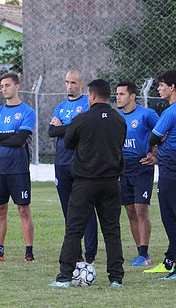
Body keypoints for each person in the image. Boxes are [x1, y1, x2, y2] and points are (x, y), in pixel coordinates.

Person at [49, 79, 126, 288]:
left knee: (74, 229)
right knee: (112, 230)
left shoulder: (81, 119)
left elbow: (68, 142)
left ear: (91, 96)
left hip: (85, 182)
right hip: (111, 182)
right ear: (108, 96)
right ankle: (116, 277)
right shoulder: (119, 120)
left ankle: (65, 276)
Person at [144, 70, 176, 280]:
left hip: (171, 170)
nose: (158, 89)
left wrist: (159, 139)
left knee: (170, 218)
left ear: (172, 87)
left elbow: (152, 138)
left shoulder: (171, 112)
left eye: (162, 85)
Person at [0, 72, 37, 263]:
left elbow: (21, 139)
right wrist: (11, 136)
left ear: (17, 86)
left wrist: (3, 136)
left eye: (8, 85)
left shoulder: (28, 112)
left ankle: (29, 252)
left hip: (18, 168)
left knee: (23, 209)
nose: (4, 88)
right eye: (2, 86)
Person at [48, 70, 98, 264]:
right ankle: (74, 251)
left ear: (82, 84)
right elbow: (52, 131)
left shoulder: (87, 104)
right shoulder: (60, 106)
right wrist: (70, 127)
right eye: (67, 82)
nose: (70, 86)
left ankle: (91, 253)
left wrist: (65, 126)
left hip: (81, 162)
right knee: (68, 210)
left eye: (74, 83)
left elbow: (85, 130)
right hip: (61, 163)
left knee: (86, 207)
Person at [116, 80, 159, 267]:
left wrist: (154, 153)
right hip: (123, 168)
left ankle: (144, 253)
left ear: (132, 96)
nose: (117, 97)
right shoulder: (116, 117)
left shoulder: (147, 114)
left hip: (142, 166)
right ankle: (140, 253)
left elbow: (162, 133)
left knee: (141, 209)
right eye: (116, 94)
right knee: (130, 211)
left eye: (121, 94)